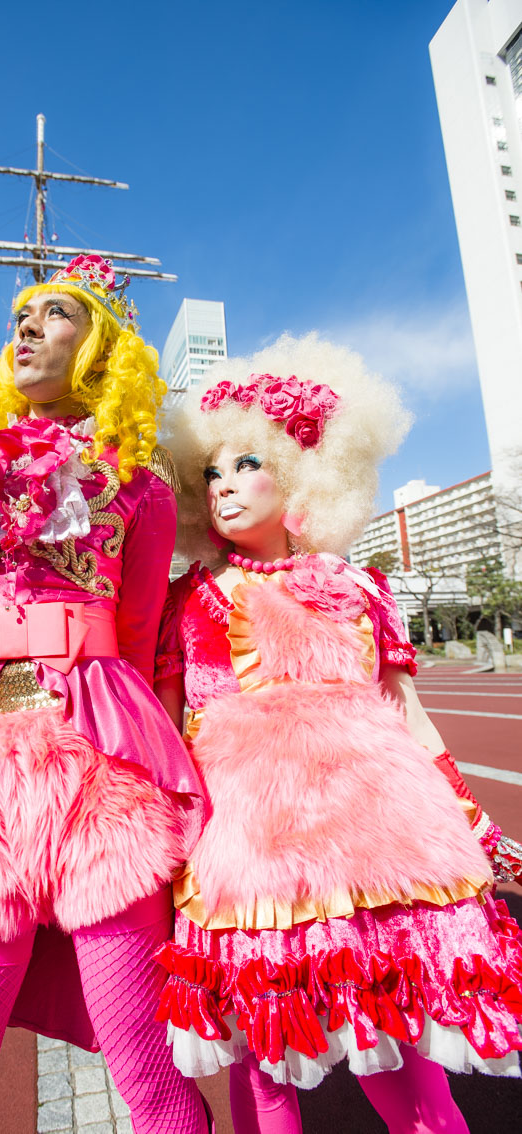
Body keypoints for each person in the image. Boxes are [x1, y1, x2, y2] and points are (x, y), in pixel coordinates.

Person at [153, 333, 522, 1133]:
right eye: (209, 471)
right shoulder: (185, 600)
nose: (221, 485)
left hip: (382, 842)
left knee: (409, 1060)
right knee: (265, 1065)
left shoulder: (359, 586)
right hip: (247, 846)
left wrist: (470, 818)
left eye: (245, 463)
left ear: (301, 469)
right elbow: (170, 727)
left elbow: (406, 715)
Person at [0, 255, 213, 1133]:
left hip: (105, 778)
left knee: (149, 1077)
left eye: (54, 314)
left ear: (100, 346)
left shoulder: (139, 487)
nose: (26, 327)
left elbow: (142, 638)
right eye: (20, 317)